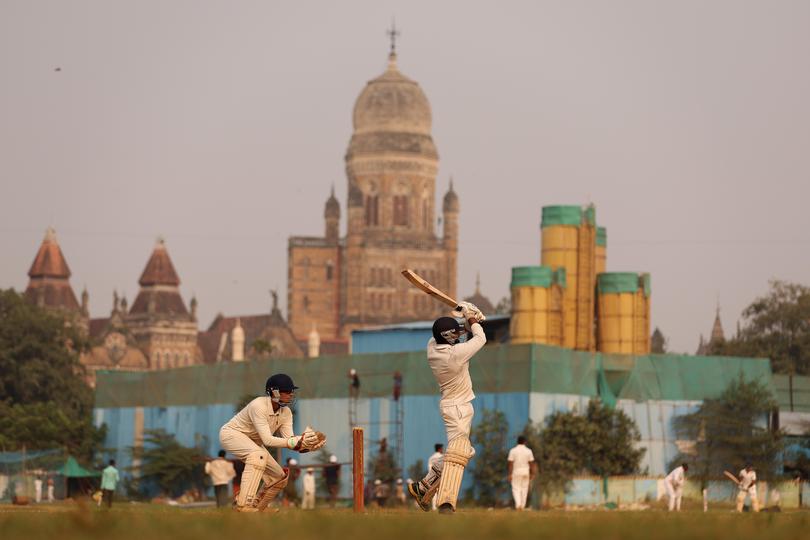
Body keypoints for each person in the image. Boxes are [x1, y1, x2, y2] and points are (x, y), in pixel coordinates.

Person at [408, 304, 487, 513]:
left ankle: (423, 488)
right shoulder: (455, 355)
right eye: (456, 333)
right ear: (449, 336)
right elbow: (480, 339)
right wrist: (472, 319)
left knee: (460, 453)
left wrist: (465, 319)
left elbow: (453, 334)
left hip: (452, 405)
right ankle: (444, 502)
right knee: (461, 453)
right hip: (458, 408)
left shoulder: (432, 347)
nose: (459, 336)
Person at [219, 373, 326, 512]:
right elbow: (268, 440)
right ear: (273, 392)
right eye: (286, 391)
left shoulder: (286, 412)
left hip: (253, 441)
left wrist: (306, 446)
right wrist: (296, 442)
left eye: (291, 392)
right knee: (258, 455)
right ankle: (243, 505)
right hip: (231, 434)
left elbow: (289, 439)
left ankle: (257, 508)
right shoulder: (258, 405)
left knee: (279, 476)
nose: (291, 395)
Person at [507, 436, 536, 510]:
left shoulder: (513, 451)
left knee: (516, 489)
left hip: (516, 471)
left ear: (517, 442)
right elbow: (531, 463)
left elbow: (510, 463)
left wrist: (510, 474)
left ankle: (518, 505)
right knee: (524, 489)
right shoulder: (528, 451)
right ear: (525, 442)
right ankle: (522, 506)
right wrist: (532, 473)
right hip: (525, 471)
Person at [427, 444, 444, 510]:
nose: (442, 450)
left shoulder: (431, 458)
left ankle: (434, 507)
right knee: (441, 492)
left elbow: (429, 468)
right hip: (441, 476)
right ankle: (441, 506)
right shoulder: (442, 456)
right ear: (439, 449)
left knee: (434, 492)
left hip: (433, 477)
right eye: (442, 448)